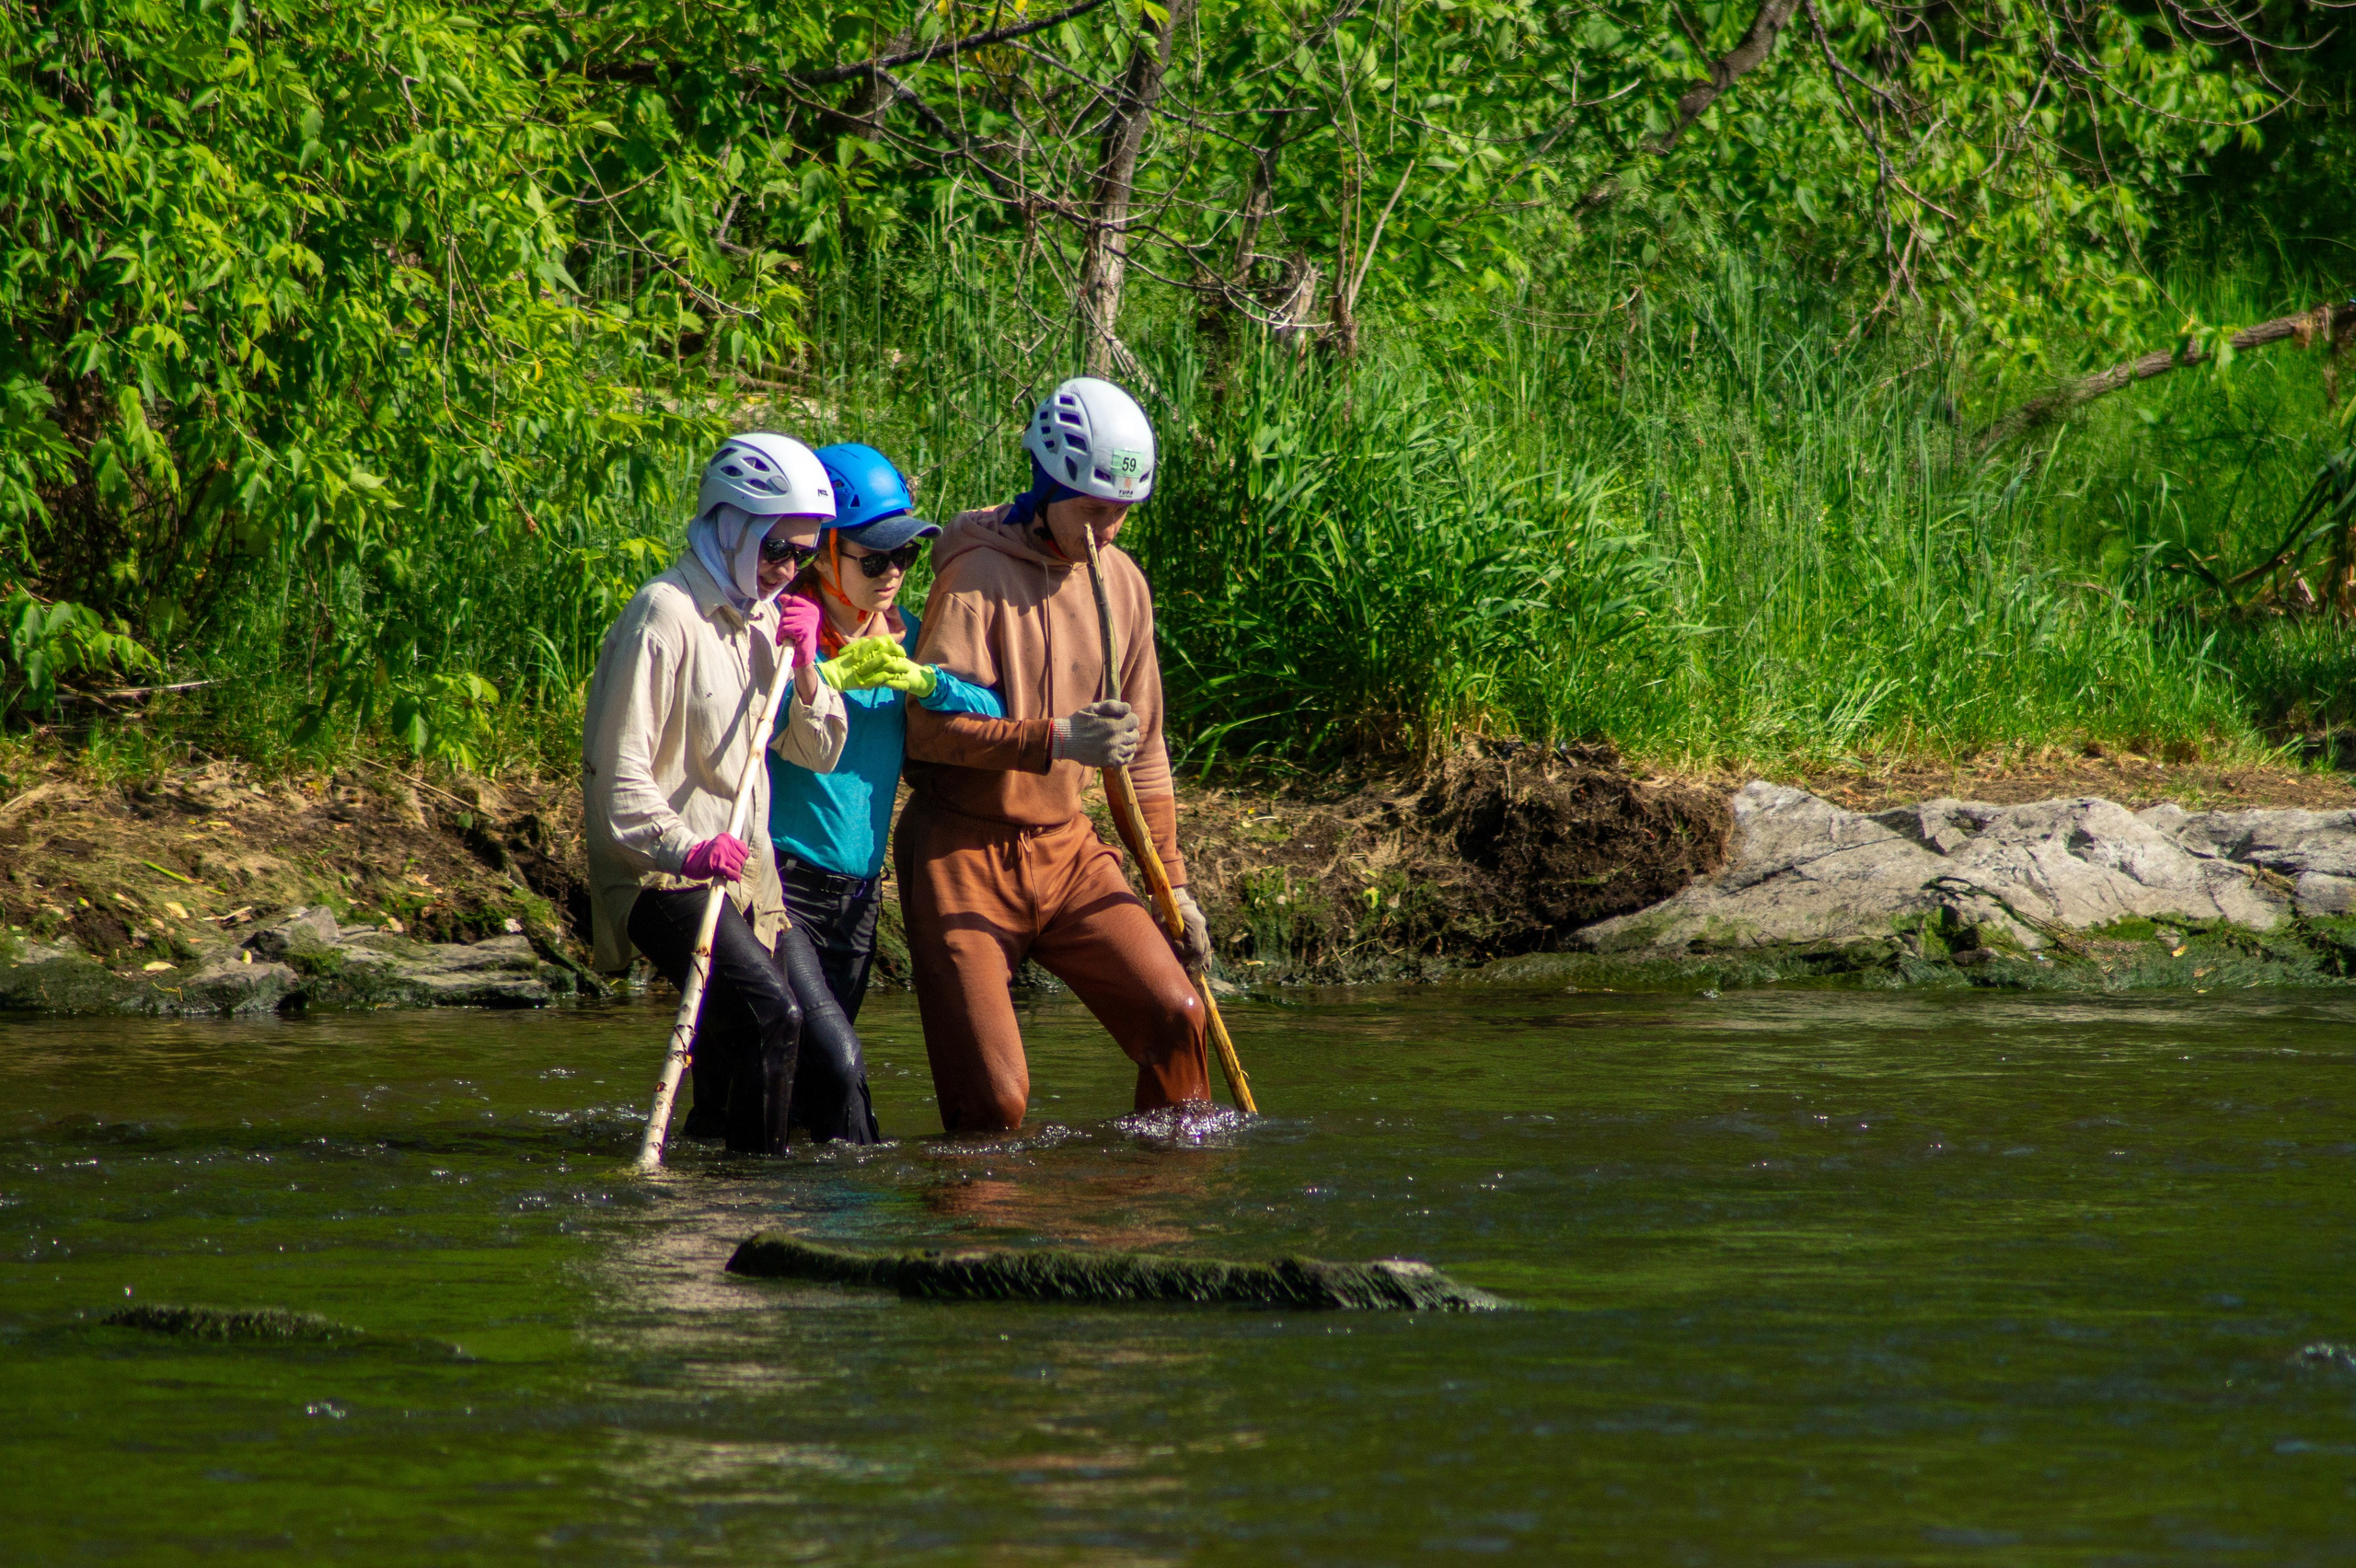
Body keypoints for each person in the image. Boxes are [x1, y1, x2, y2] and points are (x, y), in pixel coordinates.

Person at [899, 376, 1215, 1133]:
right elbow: (927, 734)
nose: (1108, 531)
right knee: (996, 1103)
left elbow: (1144, 756)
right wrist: (1058, 738)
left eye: (1122, 514)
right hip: (960, 853)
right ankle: (979, 1237)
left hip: (1067, 852)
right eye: (1094, 511)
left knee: (1178, 1015)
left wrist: (1173, 886)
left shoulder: (1124, 586)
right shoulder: (974, 576)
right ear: (1046, 488)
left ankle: (1156, 1221)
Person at [581, 432, 848, 1155]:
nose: (787, 569)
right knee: (771, 1018)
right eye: (776, 550)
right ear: (732, 526)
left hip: (749, 878)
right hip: (660, 873)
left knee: (833, 1059)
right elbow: (616, 780)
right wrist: (690, 849)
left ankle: (734, 1176)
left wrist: (806, 666)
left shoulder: (768, 617)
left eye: (803, 554)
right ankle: (754, 1203)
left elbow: (816, 749)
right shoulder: (662, 615)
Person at [761, 443, 1006, 1143]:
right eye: (875, 559)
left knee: (784, 1087)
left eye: (905, 557)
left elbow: (988, 713)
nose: (894, 572)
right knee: (837, 1065)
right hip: (784, 885)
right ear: (825, 552)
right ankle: (862, 1223)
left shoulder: (903, 634)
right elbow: (746, 728)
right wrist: (809, 668)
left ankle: (776, 1212)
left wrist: (925, 681)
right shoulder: (782, 624)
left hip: (860, 898)